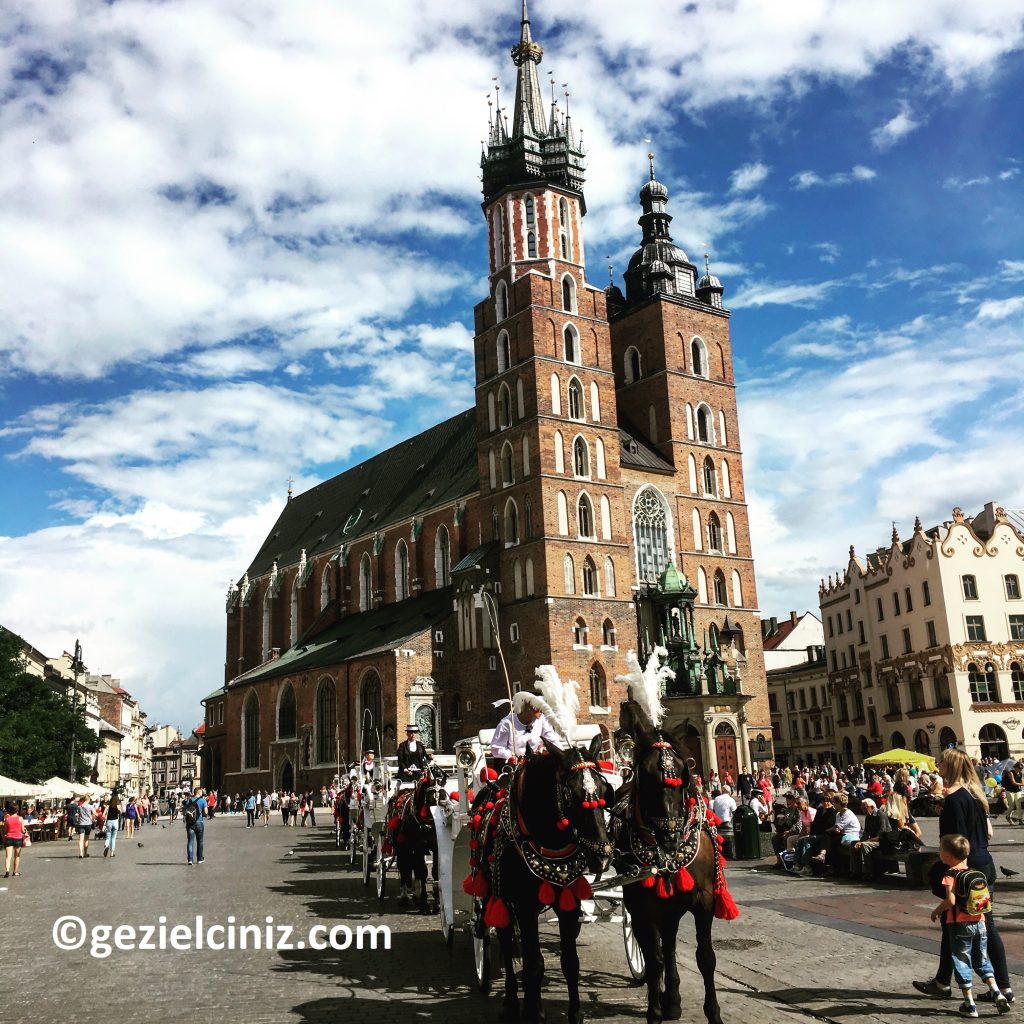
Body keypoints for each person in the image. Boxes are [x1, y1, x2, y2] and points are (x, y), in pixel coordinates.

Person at [914, 748, 1013, 1006]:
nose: (938, 764)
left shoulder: (955, 799)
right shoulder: (974, 795)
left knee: (959, 925)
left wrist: (954, 873)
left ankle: (947, 983)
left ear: (952, 766)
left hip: (965, 870)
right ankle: (1000, 985)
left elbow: (957, 842)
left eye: (942, 761)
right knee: (984, 927)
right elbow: (988, 833)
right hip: (985, 865)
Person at [928, 833, 1009, 1018]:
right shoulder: (976, 873)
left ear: (949, 856)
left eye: (941, 850)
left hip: (959, 926)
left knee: (962, 962)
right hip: (980, 923)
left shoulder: (950, 875)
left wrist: (936, 911)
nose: (939, 853)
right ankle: (996, 992)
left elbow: (950, 899)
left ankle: (969, 1004)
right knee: (982, 960)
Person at [489, 691, 566, 763]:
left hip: (534, 762)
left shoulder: (542, 720)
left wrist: (564, 755)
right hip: (513, 764)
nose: (541, 710)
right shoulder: (507, 723)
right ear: (528, 705)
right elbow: (497, 748)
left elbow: (552, 740)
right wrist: (512, 757)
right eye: (538, 706)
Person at [849, 798, 890, 879]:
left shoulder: (880, 815)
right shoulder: (868, 816)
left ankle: (869, 872)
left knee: (865, 845)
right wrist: (859, 842)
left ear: (872, 807)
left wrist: (863, 842)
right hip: (873, 840)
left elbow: (881, 836)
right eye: (862, 809)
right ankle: (855, 871)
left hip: (883, 841)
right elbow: (866, 833)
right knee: (853, 844)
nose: (863, 811)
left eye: (865, 808)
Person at [183, 787, 207, 866]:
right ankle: (200, 858)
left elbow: (184, 812)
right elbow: (206, 813)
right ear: (199, 792)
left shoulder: (189, 800)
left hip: (190, 823)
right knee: (200, 841)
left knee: (190, 841)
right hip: (199, 822)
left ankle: (190, 860)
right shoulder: (203, 800)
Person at [2, 801, 26, 878]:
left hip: (9, 838)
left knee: (8, 856)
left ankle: (7, 871)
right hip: (18, 838)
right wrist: (25, 831)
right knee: (17, 856)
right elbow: (22, 830)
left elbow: (5, 830)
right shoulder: (20, 818)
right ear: (17, 810)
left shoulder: (7, 819)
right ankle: (15, 872)